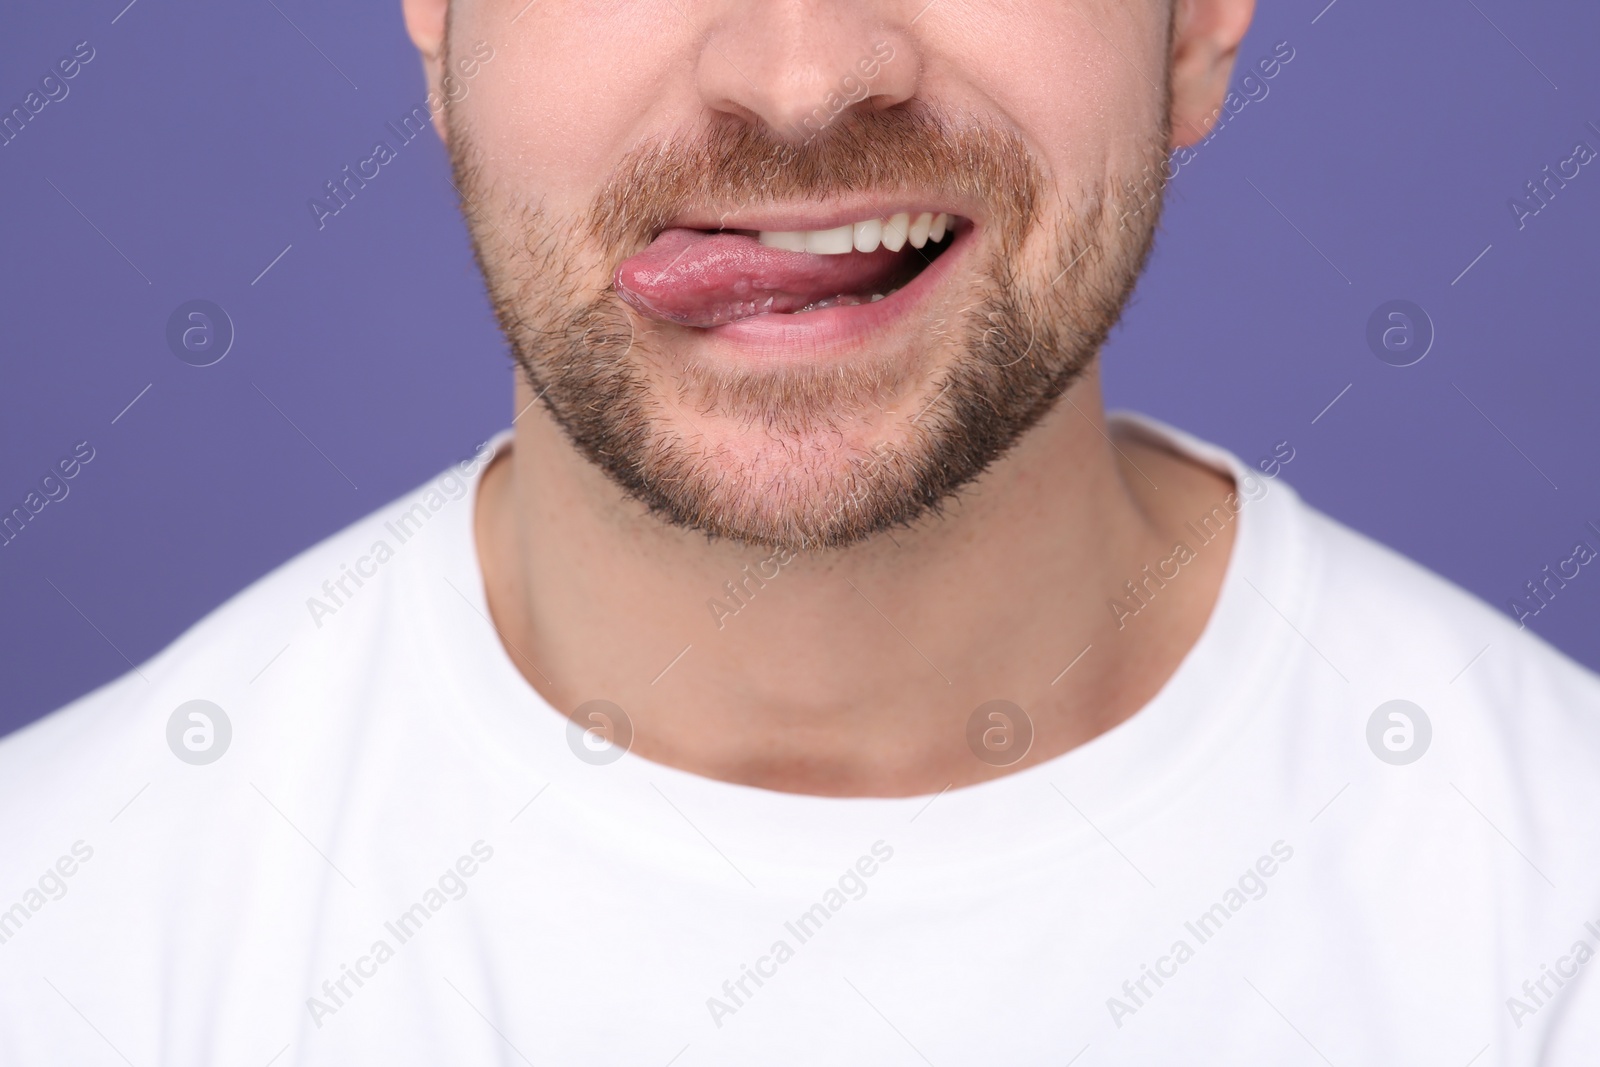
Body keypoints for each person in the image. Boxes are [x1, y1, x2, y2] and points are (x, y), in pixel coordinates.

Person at [2, 0, 1597, 1063]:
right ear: (436, 20)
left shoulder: (1551, 919)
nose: (803, 74)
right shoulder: (57, 945)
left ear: (1199, 25)